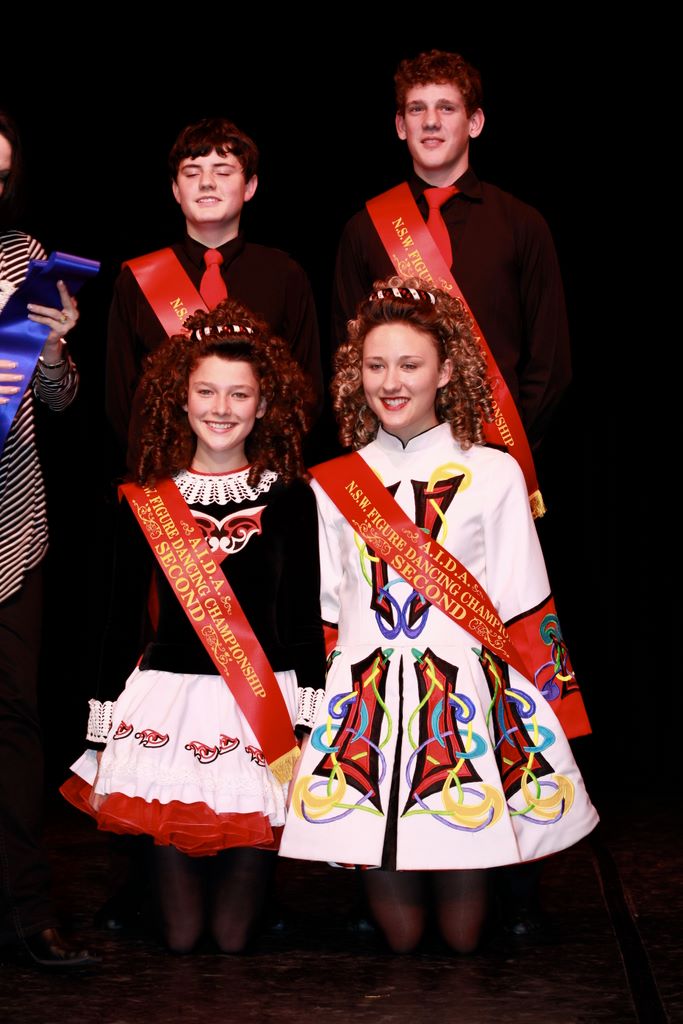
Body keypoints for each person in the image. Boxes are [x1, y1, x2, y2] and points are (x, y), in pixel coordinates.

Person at [279, 280, 598, 954]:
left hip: (463, 701)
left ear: (446, 371)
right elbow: (327, 607)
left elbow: (524, 598)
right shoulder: (331, 483)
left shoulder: (495, 472)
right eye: (375, 365)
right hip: (363, 705)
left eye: (409, 364)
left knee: (462, 937)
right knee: (399, 938)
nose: (390, 382)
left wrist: (548, 712)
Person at [63, 299, 326, 953]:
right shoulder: (145, 498)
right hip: (168, 702)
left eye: (239, 394)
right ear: (181, 399)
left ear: (263, 405)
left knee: (233, 939)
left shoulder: (291, 495)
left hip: (260, 705)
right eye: (206, 391)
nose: (221, 407)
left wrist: (306, 721)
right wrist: (100, 723)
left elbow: (302, 619)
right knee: (181, 939)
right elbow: (119, 620)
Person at [332, 49, 571, 452]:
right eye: (417, 109)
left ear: (474, 122)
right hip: (392, 456)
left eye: (446, 107)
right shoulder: (364, 229)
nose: (430, 121)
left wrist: (507, 450)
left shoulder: (522, 225)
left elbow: (550, 364)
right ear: (400, 125)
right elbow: (348, 357)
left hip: (496, 449)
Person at [0, 110, 97, 967]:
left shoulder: (23, 254)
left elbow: (58, 403)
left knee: (16, 723)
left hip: (11, 530)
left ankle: (26, 912)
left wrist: (57, 351)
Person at [106, 116, 323, 469]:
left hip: (262, 478)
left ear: (250, 186)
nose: (206, 182)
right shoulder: (136, 280)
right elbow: (120, 401)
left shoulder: (286, 275)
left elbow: (306, 392)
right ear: (176, 190)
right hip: (164, 482)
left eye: (223, 171)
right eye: (192, 173)